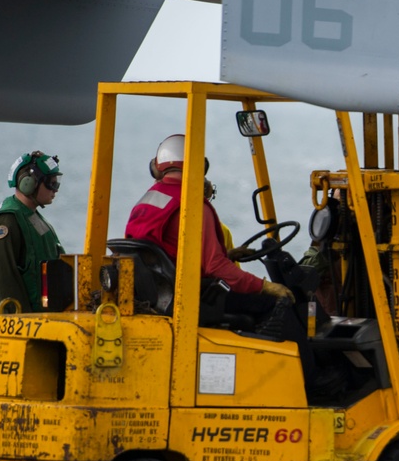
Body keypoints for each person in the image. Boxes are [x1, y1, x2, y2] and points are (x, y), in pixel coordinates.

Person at [126, 135, 295, 332]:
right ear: (199, 164)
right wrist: (267, 287)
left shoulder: (147, 201)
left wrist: (229, 255)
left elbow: (167, 254)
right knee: (274, 303)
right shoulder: (192, 205)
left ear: (157, 166)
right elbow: (217, 266)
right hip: (189, 298)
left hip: (158, 296)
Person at [0, 151, 64, 459]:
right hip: (7, 318)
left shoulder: (34, 218)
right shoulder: (6, 223)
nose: (55, 189)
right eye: (51, 183)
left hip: (29, 318)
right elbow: (5, 280)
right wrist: (22, 323)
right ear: (29, 181)